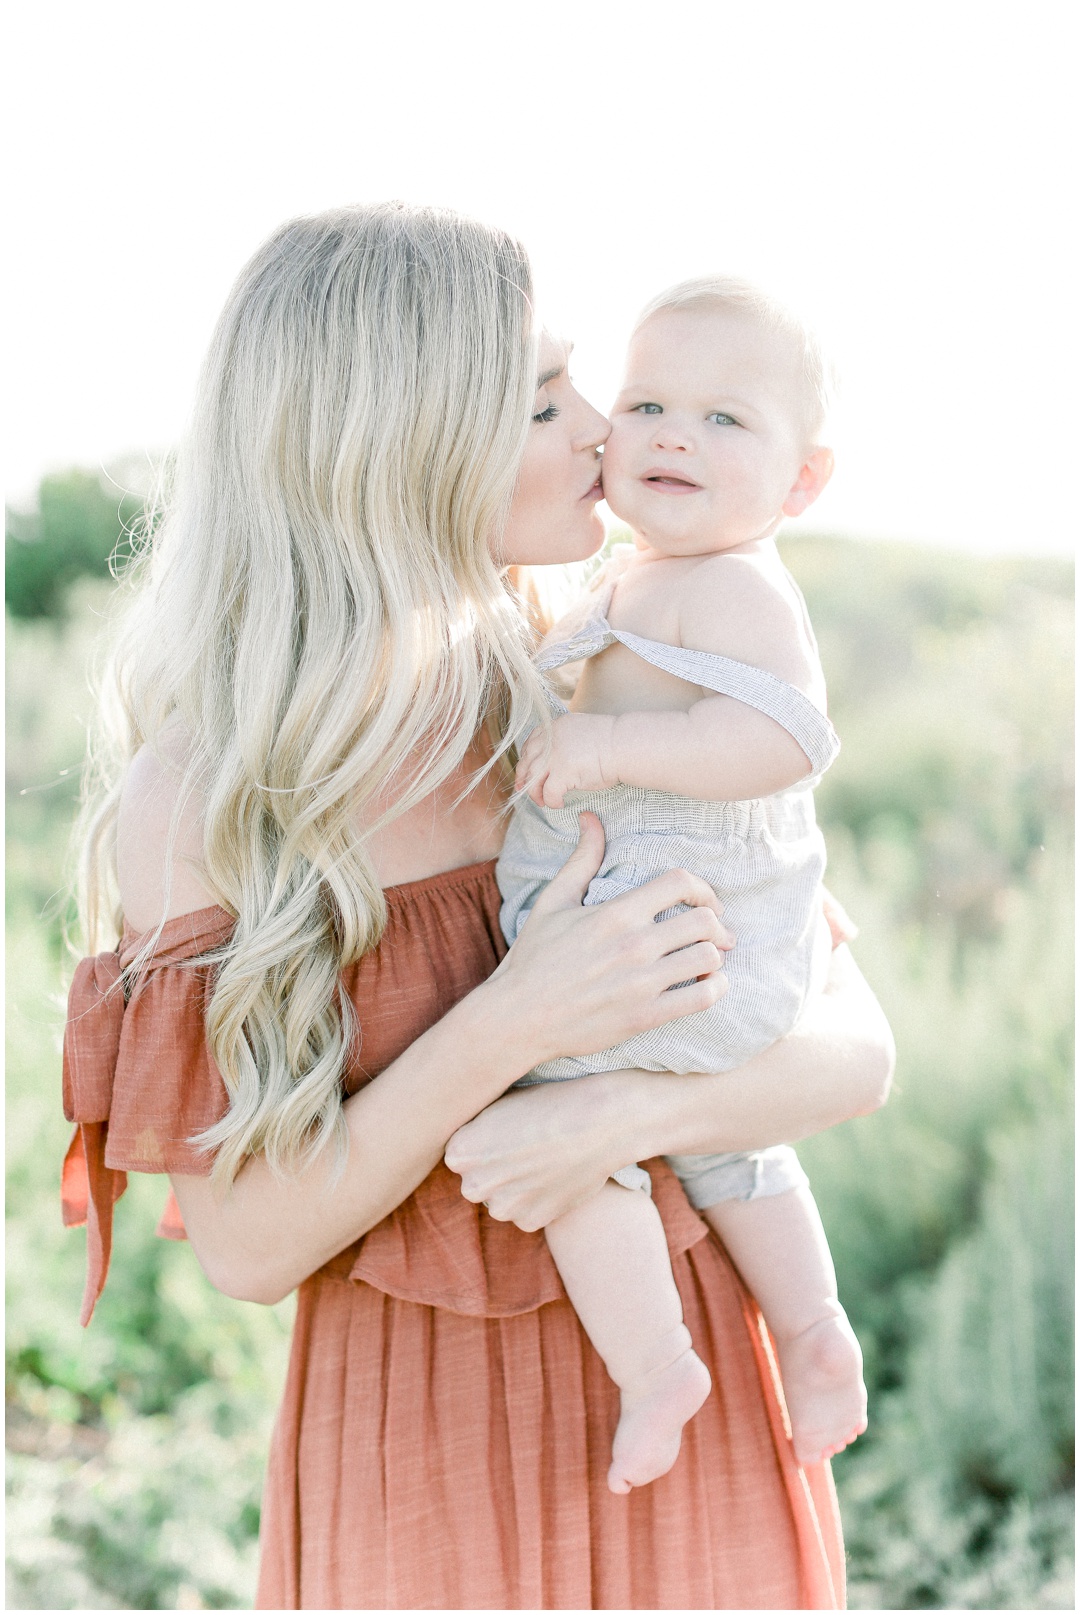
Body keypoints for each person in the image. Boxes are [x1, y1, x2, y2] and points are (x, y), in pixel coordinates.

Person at [62, 203, 894, 1611]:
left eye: (585, 387)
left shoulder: (582, 684)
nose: (602, 431)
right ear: (397, 440)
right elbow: (251, 1246)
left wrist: (620, 1116)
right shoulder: (210, 792)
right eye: (540, 399)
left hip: (682, 1378)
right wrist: (516, 1021)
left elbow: (853, 1049)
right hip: (416, 1426)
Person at [497, 277, 867, 1497]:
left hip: (678, 945)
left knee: (558, 1127)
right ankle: (810, 1330)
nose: (670, 434)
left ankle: (659, 1364)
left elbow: (786, 742)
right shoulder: (633, 575)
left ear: (800, 482)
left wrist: (607, 751)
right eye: (648, 401)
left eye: (724, 420)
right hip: (669, 942)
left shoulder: (739, 585)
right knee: (734, 1149)